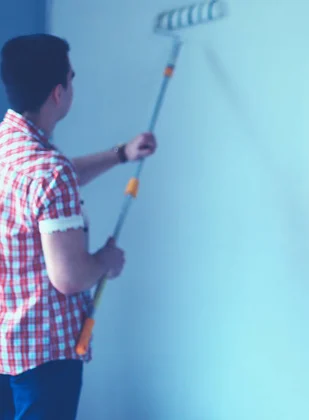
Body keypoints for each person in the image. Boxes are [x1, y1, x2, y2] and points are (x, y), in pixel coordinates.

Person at [0, 34, 157, 419]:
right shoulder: (50, 173)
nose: (74, 84)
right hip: (45, 353)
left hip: (9, 347)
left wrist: (121, 154)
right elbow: (69, 278)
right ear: (58, 93)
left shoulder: (12, 147)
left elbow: (52, 183)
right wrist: (105, 260)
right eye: (72, 77)